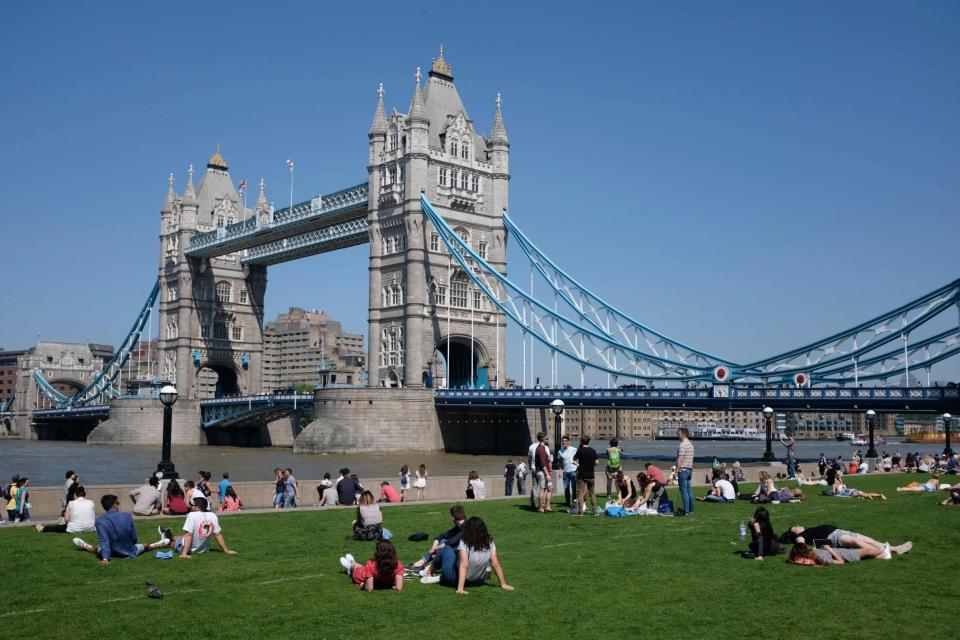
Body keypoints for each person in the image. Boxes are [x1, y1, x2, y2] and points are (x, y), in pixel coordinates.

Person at [421, 517, 513, 594]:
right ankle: (437, 576)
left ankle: (429, 572)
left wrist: (460, 589)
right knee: (456, 555)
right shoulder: (489, 542)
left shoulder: (465, 542)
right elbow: (495, 563)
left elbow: (464, 565)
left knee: (446, 548)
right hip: (478, 581)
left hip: (456, 579)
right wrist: (503, 584)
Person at [72, 494, 169, 564]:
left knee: (97, 547)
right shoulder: (127, 516)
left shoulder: (100, 521)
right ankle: (160, 543)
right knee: (146, 545)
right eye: (117, 503)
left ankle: (85, 546)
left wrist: (105, 559)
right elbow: (134, 538)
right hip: (130, 551)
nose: (118, 505)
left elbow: (104, 540)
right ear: (114, 505)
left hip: (112, 553)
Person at [780, 523, 911, 558]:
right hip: (833, 537)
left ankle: (895, 549)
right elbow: (800, 543)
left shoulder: (807, 530)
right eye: (795, 527)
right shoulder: (800, 535)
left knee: (868, 539)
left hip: (839, 531)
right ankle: (882, 552)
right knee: (856, 543)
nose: (798, 526)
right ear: (794, 532)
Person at [165, 497, 237, 558]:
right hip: (204, 549)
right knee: (181, 537)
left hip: (189, 548)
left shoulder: (192, 515)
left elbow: (189, 535)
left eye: (192, 505)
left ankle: (168, 539)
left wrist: (184, 553)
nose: (190, 506)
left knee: (173, 543)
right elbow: (218, 535)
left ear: (197, 507)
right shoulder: (213, 515)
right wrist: (226, 550)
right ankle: (171, 536)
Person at [412, 505, 467, 571]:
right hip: (460, 551)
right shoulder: (459, 526)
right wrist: (433, 547)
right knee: (443, 540)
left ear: (452, 518)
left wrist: (436, 548)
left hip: (464, 554)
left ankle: (428, 567)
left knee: (446, 546)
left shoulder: (467, 526)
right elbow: (441, 536)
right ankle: (423, 563)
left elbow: (453, 541)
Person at [339, 540, 404, 592]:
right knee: (359, 567)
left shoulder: (371, 564)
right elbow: (398, 588)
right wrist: (391, 586)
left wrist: (363, 585)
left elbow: (369, 589)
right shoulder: (398, 564)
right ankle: (351, 563)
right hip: (367, 573)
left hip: (361, 575)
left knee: (357, 568)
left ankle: (350, 566)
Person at [787, 542, 884, 566]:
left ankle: (882, 554)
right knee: (867, 550)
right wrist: (829, 549)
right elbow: (841, 562)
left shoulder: (813, 554)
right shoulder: (821, 557)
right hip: (847, 555)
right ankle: (884, 551)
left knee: (868, 552)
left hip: (841, 551)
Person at [573, 435, 599, 516]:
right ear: (589, 441)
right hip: (591, 474)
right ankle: (595, 511)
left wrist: (578, 465)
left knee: (580, 492)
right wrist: (591, 466)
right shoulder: (593, 450)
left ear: (581, 442)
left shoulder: (580, 450)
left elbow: (573, 460)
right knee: (592, 493)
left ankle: (581, 512)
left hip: (582, 474)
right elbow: (597, 462)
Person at [676, 427, 695, 516]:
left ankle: (686, 511)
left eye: (679, 434)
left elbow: (681, 458)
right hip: (689, 469)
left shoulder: (682, 444)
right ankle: (691, 510)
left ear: (683, 434)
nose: (677, 435)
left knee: (684, 492)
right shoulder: (691, 444)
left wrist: (676, 470)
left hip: (683, 470)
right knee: (689, 491)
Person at [533, 435, 553, 512]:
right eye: (546, 438)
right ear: (542, 439)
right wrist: (547, 474)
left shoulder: (543, 448)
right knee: (542, 489)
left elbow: (546, 461)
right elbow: (542, 464)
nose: (548, 440)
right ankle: (541, 507)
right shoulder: (540, 449)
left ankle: (547, 506)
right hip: (542, 472)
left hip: (544, 471)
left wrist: (549, 470)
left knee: (550, 488)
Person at [558, 435, 578, 507]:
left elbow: (578, 459)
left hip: (573, 470)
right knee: (566, 488)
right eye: (562, 441)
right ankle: (567, 503)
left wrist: (578, 468)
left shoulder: (574, 449)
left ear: (569, 442)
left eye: (565, 441)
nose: (563, 442)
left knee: (574, 487)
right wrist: (560, 472)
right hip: (565, 472)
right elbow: (560, 463)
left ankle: (574, 502)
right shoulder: (560, 451)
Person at [528, 432, 546, 508]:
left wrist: (530, 466)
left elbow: (529, 458)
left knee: (534, 486)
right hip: (541, 469)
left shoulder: (531, 446)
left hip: (533, 469)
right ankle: (542, 505)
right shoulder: (544, 447)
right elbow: (547, 459)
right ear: (543, 439)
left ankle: (533, 502)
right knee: (542, 488)